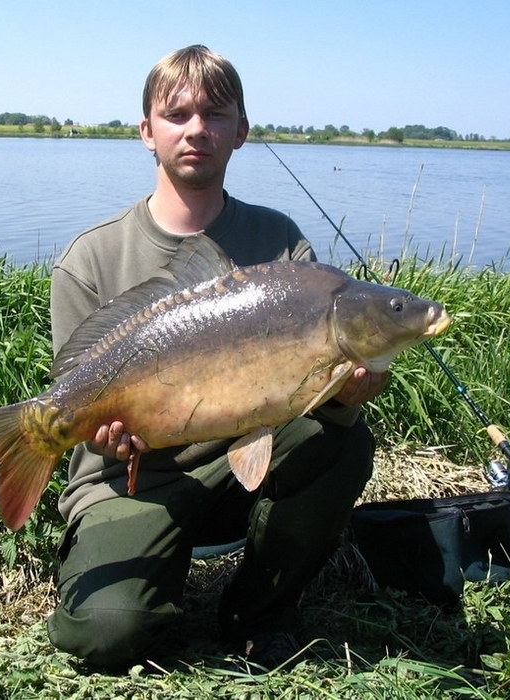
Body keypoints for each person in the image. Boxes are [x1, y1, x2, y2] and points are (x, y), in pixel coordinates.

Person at [46, 44, 387, 670]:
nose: (196, 129)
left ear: (241, 131)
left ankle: (259, 616)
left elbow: (311, 393)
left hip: (242, 466)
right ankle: (138, 589)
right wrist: (99, 434)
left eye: (215, 114)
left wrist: (345, 398)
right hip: (131, 479)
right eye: (176, 115)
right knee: (104, 636)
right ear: (147, 131)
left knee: (342, 441)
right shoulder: (89, 258)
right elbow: (77, 393)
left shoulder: (281, 243)